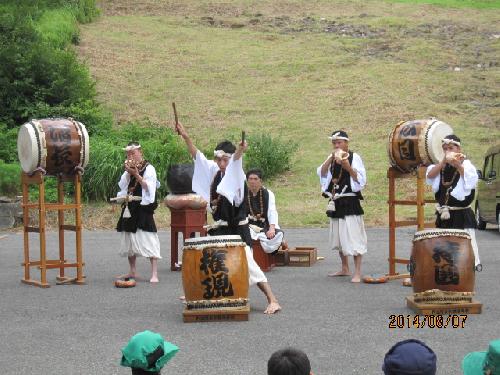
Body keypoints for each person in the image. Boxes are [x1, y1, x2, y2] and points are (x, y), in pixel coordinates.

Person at [175, 121, 281, 314]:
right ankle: (201, 294)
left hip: (237, 231)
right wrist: (185, 135)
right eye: (218, 160)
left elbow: (236, 160)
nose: (221, 164)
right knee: (210, 263)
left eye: (224, 160)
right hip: (220, 229)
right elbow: (196, 156)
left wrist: (240, 151)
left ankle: (272, 299)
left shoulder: (236, 174)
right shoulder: (216, 172)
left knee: (249, 265)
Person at [317, 130, 367, 283]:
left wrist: (347, 166)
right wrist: (330, 159)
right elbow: (322, 173)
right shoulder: (331, 158)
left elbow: (361, 181)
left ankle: (357, 272)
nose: (336, 145)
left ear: (346, 143)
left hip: (350, 201)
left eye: (339, 142)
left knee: (354, 237)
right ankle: (345, 268)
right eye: (334, 143)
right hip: (336, 201)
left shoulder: (354, 157)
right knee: (338, 238)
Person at [426, 134, 481, 267]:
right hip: (445, 214)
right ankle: (448, 275)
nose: (448, 151)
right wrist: (443, 162)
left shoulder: (466, 165)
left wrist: (458, 165)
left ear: (458, 149)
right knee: (445, 249)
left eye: (451, 148)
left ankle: (467, 275)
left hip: (461, 214)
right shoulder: (441, 166)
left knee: (464, 248)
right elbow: (429, 175)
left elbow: (471, 181)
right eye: (445, 148)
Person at [116, 142, 161, 283]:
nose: (130, 156)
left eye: (133, 153)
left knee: (148, 236)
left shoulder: (149, 168)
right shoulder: (128, 169)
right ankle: (132, 270)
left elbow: (149, 187)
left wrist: (136, 174)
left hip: (143, 206)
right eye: (128, 153)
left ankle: (154, 274)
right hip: (130, 206)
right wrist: (129, 173)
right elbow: (123, 186)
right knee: (129, 238)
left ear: (140, 152)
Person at [245, 168, 288, 254]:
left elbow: (272, 211)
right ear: (247, 181)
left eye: (255, 179)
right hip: (249, 225)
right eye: (250, 179)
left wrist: (272, 229)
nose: (253, 181)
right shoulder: (243, 194)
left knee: (277, 235)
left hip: (265, 224)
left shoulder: (268, 194)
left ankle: (279, 244)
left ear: (260, 180)